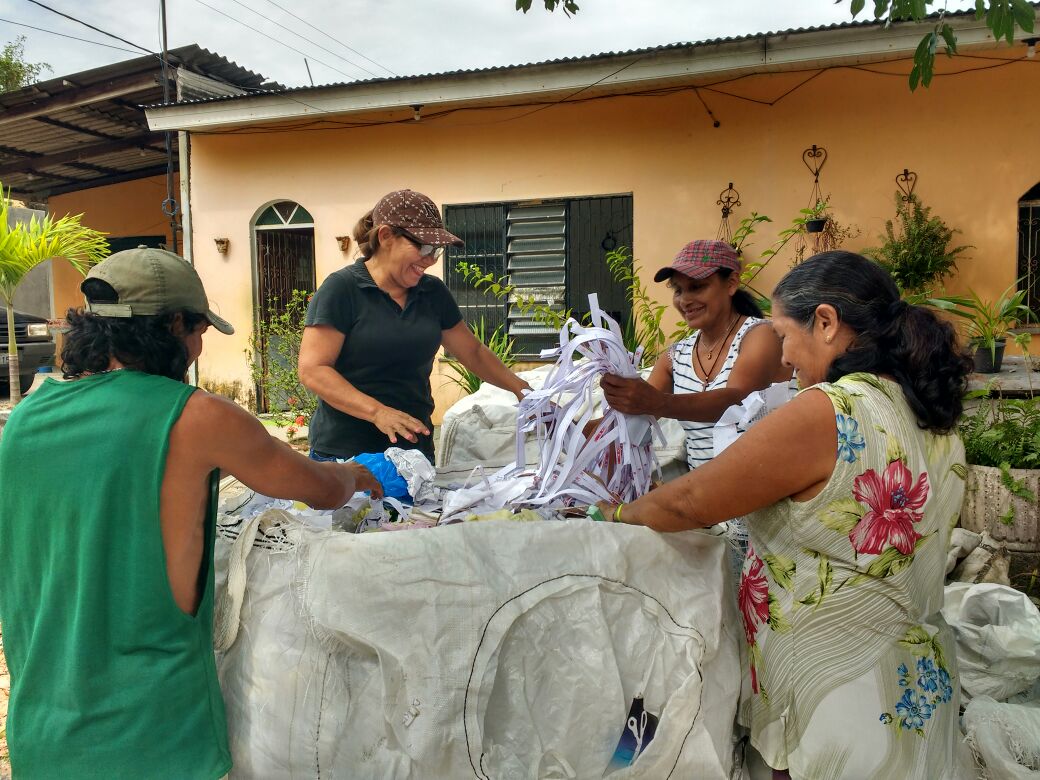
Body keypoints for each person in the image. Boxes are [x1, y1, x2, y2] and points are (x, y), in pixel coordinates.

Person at [0, 248, 381, 779]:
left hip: (43, 740)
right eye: (199, 330)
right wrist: (354, 476)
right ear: (174, 325)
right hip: (155, 741)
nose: (199, 347)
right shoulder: (196, 416)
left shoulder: (26, 417)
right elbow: (316, 488)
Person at [596, 252, 972, 779]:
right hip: (916, 688)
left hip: (834, 702)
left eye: (784, 336)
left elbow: (690, 502)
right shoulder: (935, 419)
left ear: (825, 322)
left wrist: (609, 513)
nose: (784, 361)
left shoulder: (828, 411)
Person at [299, 189, 530, 461]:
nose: (430, 259)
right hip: (345, 454)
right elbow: (313, 369)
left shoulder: (432, 292)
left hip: (413, 449)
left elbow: (473, 352)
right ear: (385, 236)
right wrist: (378, 412)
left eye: (436, 250)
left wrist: (523, 391)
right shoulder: (342, 290)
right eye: (422, 247)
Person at [598, 239, 789, 470]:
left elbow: (735, 401)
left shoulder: (760, 335)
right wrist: (558, 425)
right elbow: (634, 416)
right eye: (678, 290)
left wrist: (657, 402)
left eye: (697, 287)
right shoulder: (675, 357)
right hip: (703, 495)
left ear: (731, 284)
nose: (685, 300)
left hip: (760, 490)